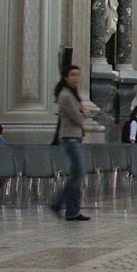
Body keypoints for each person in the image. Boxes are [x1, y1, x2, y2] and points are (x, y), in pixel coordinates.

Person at [49, 65, 90, 221]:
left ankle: (73, 211)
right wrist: (83, 111)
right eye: (73, 75)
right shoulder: (65, 95)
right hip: (70, 137)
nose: (76, 78)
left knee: (77, 173)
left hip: (76, 137)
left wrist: (82, 111)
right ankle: (57, 202)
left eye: (78, 75)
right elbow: (78, 117)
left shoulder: (73, 94)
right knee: (78, 172)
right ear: (66, 77)